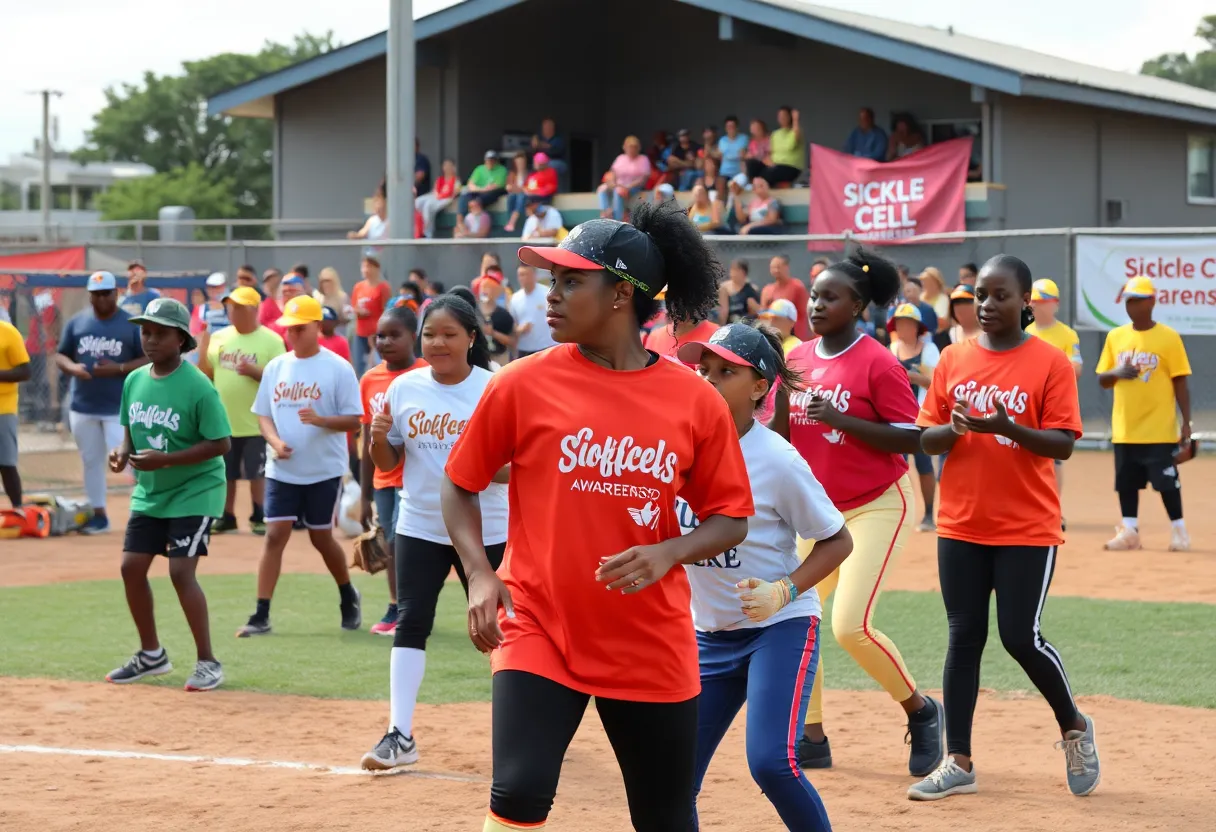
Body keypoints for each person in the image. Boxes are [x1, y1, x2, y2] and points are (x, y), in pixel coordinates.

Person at [443, 202, 755, 832]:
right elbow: (459, 485)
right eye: (552, 281)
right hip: (539, 622)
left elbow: (730, 518)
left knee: (665, 813)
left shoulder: (694, 399)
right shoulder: (520, 384)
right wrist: (480, 573)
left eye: (569, 282)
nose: (550, 296)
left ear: (621, 294)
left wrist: (669, 552)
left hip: (650, 639)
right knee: (520, 792)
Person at [913, 254, 1099, 801]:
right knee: (963, 636)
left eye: (999, 296)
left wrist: (1007, 427)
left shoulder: (1050, 362)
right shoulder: (952, 358)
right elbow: (926, 439)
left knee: (1020, 636)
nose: (987, 305)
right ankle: (959, 760)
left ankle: (1074, 726)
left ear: (1025, 303)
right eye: (979, 296)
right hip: (961, 522)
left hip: (1026, 526)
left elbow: (1064, 441)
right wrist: (954, 427)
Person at [676, 322, 852, 832]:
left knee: (772, 763)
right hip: (708, 633)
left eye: (725, 372)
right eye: (704, 370)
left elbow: (838, 539)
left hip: (779, 629)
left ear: (760, 386)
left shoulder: (776, 459)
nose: (708, 380)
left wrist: (785, 591)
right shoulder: (677, 444)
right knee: (673, 777)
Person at [777, 250, 943, 775]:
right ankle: (813, 734)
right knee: (798, 621)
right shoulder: (796, 358)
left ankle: (921, 711)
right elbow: (784, 435)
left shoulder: (878, 361)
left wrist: (845, 421)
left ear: (858, 305)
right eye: (816, 296)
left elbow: (914, 436)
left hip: (878, 504)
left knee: (850, 625)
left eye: (830, 297)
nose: (818, 305)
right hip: (820, 515)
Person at [361, 294, 507, 769]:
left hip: (489, 528)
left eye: (449, 333)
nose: (437, 342)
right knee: (412, 621)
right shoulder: (403, 388)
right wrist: (378, 441)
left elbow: (514, 468)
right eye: (429, 334)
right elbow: (390, 464)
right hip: (420, 524)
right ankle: (398, 734)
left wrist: (472, 467)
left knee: (507, 630)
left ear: (471, 338)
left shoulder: (496, 387)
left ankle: (525, 730)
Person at [106, 298, 231, 692]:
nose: (151, 339)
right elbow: (129, 427)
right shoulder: (135, 379)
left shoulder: (199, 386)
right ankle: (151, 655)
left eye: (161, 333)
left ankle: (209, 662)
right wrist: (122, 451)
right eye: (146, 331)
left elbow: (221, 443)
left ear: (181, 339)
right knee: (130, 567)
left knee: (180, 571)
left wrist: (167, 460)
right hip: (152, 491)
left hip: (196, 489)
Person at [237, 295, 365, 637]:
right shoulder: (278, 367)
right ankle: (261, 612)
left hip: (323, 470)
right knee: (275, 535)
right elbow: (263, 414)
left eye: (299, 328)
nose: (292, 334)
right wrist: (275, 442)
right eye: (288, 329)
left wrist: (323, 420)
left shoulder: (338, 367)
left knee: (321, 537)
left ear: (317, 327)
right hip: (282, 470)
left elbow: (355, 420)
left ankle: (347, 594)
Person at [1095, 275, 1192, 552]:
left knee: (1166, 482)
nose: (1132, 305)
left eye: (1138, 300)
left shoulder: (1169, 337)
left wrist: (1187, 423)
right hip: (1125, 427)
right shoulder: (1116, 336)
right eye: (1128, 300)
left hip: (1159, 428)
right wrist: (1116, 372)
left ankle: (1179, 530)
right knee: (1126, 482)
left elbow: (1180, 381)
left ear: (1152, 301)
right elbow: (1103, 378)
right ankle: (1129, 531)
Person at [56, 271, 148, 534]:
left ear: (116, 293)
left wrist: (119, 368)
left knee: (131, 461)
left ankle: (144, 515)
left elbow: (147, 359)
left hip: (118, 408)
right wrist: (73, 368)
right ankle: (99, 515)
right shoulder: (77, 323)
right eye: (96, 294)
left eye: (105, 293)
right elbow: (61, 355)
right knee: (91, 461)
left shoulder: (130, 324)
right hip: (83, 405)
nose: (101, 298)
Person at [358, 304, 429, 638]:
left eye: (394, 335)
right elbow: (366, 439)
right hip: (383, 477)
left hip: (417, 476)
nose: (385, 341)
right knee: (389, 543)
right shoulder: (370, 379)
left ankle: (406, 607)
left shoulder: (428, 372)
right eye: (379, 336)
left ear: (413, 337)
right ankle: (397, 604)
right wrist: (363, 496)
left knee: (403, 542)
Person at [197, 286, 285, 535]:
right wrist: (203, 347)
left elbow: (281, 379)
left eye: (237, 307)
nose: (231, 311)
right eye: (230, 306)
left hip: (257, 421)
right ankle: (227, 516)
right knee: (226, 472)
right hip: (224, 420)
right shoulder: (220, 337)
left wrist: (256, 372)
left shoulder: (271, 340)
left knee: (257, 471)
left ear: (253, 309)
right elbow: (208, 372)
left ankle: (259, 514)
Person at [1025, 278, 1082, 529]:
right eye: (1034, 302)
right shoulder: (1025, 332)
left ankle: (1053, 509)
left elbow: (1076, 368)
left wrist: (1048, 375)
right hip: (1026, 403)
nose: (1037, 306)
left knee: (1054, 459)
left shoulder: (1067, 334)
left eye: (1042, 301)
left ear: (1055, 304)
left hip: (1053, 405)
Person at [887, 304, 940, 531]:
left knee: (924, 465)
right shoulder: (891, 348)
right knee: (895, 468)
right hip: (896, 418)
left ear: (917, 327)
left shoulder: (929, 350)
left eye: (907, 323)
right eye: (899, 323)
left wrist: (912, 377)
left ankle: (929, 515)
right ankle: (897, 515)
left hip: (922, 417)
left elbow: (936, 382)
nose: (903, 327)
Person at [0, 318, 31, 507]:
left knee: (6, 463)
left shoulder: (8, 333)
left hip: (3, 407)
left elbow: (25, 371)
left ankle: (18, 509)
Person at [351, 255, 392, 376]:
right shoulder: (358, 286)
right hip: (360, 332)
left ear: (376, 268)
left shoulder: (383, 287)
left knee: (378, 363)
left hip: (376, 332)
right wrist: (358, 311)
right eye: (363, 266)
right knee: (359, 364)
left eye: (368, 266)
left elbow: (387, 309)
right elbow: (354, 305)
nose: (365, 269)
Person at [597, 136, 652, 221]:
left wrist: (628, 186)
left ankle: (617, 218)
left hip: (634, 187)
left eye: (634, 147)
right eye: (630, 147)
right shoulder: (620, 158)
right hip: (619, 184)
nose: (632, 149)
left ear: (638, 148)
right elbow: (613, 172)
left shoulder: (643, 159)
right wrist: (612, 182)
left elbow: (643, 179)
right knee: (602, 188)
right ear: (624, 147)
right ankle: (606, 211)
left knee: (619, 191)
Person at [509, 265, 557, 357]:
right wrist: (519, 329)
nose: (522, 278)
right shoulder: (515, 298)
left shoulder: (547, 294)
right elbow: (512, 324)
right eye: (520, 275)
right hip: (525, 349)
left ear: (534, 275)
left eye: (525, 274)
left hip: (547, 347)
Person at [456, 152, 508, 235]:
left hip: (492, 193)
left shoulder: (502, 170)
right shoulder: (479, 169)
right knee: (464, 196)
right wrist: (481, 189)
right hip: (479, 191)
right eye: (488, 160)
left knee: (478, 200)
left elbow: (496, 186)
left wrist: (481, 190)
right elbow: (470, 185)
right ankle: (460, 223)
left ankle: (478, 232)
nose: (490, 162)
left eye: (492, 160)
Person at [760, 255, 812, 340]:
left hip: (795, 336)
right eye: (772, 267)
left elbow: (806, 313)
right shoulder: (767, 290)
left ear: (786, 267)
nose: (775, 270)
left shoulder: (797, 287)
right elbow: (763, 316)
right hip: (774, 337)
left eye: (778, 267)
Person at [477, 269, 517, 364]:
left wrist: (493, 333)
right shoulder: (474, 311)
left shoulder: (503, 315)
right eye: (483, 287)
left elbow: (512, 341)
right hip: (480, 358)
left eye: (488, 288)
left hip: (500, 357)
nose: (484, 291)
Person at [718, 258, 761, 324]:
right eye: (732, 270)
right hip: (731, 325)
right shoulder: (725, 288)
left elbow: (758, 312)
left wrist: (754, 307)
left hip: (747, 325)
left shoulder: (752, 289)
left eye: (737, 270)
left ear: (744, 272)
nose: (733, 273)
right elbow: (723, 312)